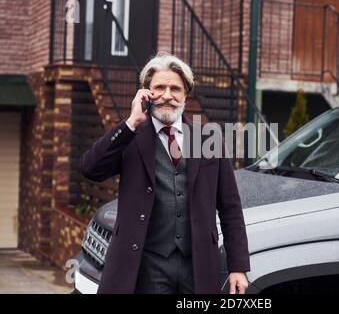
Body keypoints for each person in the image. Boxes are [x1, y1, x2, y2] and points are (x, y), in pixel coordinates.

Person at [79, 52, 250, 294]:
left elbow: (230, 206)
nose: (167, 95)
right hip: (147, 266)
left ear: (185, 95)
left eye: (175, 88)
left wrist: (238, 267)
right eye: (159, 88)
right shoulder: (132, 136)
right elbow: (90, 168)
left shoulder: (208, 138)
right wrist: (130, 122)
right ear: (146, 93)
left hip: (198, 266)